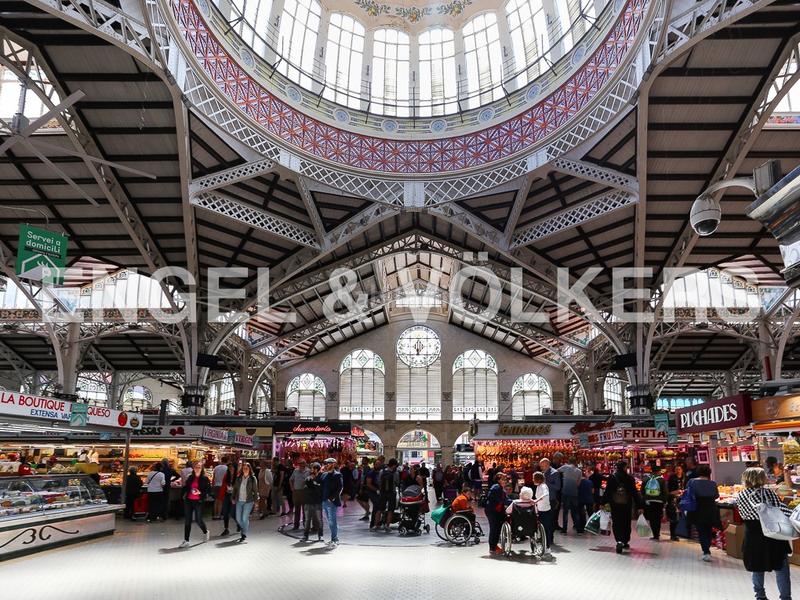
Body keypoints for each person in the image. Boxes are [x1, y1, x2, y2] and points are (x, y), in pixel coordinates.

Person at [736, 467, 792, 600]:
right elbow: (780, 509)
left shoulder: (741, 495)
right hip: (773, 534)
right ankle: (785, 597)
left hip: (753, 535)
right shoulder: (768, 493)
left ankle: (760, 596)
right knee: (781, 568)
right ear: (760, 478)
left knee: (757, 567)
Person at [604, 461, 642, 554]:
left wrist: (603, 502)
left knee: (617, 522)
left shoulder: (612, 478)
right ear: (624, 468)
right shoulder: (630, 478)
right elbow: (634, 493)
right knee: (626, 522)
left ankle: (619, 541)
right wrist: (640, 505)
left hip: (615, 504)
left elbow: (608, 491)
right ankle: (625, 541)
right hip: (626, 504)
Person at [687, 464, 720, 561]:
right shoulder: (713, 483)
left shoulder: (691, 482)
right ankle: (707, 549)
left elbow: (688, 494)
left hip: (698, 508)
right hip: (710, 509)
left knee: (701, 530)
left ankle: (706, 551)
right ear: (709, 473)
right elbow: (716, 496)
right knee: (708, 529)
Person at [179, 461, 211, 548]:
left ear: (202, 469)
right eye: (196, 467)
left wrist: (200, 492)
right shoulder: (190, 477)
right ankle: (186, 540)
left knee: (198, 520)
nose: (197, 468)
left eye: (199, 467)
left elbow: (209, 491)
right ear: (193, 468)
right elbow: (186, 487)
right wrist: (183, 494)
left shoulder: (205, 478)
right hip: (189, 500)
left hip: (198, 501)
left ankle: (205, 531)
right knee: (187, 520)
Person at [641, 464, 669, 540]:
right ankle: (657, 534)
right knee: (657, 518)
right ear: (658, 471)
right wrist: (665, 501)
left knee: (652, 518)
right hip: (659, 501)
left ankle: (654, 534)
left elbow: (642, 491)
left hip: (649, 501)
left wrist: (645, 499)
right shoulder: (662, 480)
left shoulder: (646, 479)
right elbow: (665, 492)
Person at [233, 461, 258, 543]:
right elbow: (235, 489)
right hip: (239, 500)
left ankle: (243, 533)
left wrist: (256, 501)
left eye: (247, 468)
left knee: (244, 518)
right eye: (244, 468)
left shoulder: (252, 478)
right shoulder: (239, 477)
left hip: (248, 501)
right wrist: (233, 497)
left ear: (249, 469)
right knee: (238, 519)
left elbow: (255, 490)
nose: (245, 469)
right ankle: (243, 529)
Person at [320, 458, 343, 547]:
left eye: (328, 463)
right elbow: (319, 484)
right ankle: (333, 538)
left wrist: (332, 498)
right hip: (324, 501)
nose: (326, 465)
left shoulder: (337, 475)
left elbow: (340, 487)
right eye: (325, 463)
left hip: (331, 501)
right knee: (329, 520)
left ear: (333, 464)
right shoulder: (324, 475)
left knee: (332, 520)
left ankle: (335, 538)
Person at [485, 472, 508, 555]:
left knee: (496, 528)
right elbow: (501, 499)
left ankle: (494, 546)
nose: (505, 481)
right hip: (493, 510)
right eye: (503, 479)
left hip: (495, 510)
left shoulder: (499, 487)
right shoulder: (496, 487)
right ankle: (493, 547)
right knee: (494, 529)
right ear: (498, 480)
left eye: (505, 479)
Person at [558, 458, 582, 534]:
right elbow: (578, 484)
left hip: (565, 492)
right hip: (574, 493)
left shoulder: (565, 467)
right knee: (575, 512)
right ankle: (579, 530)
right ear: (576, 463)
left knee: (565, 512)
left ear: (568, 462)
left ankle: (564, 530)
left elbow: (556, 471)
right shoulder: (579, 471)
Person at [539, 458, 562, 535]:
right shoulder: (543, 473)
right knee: (543, 519)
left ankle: (550, 538)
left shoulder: (554, 473)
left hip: (551, 500)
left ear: (548, 465)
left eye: (543, 466)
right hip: (543, 500)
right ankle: (544, 536)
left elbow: (557, 487)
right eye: (541, 466)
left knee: (550, 520)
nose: (541, 468)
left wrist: (546, 482)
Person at [303, 462, 324, 542]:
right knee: (307, 520)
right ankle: (305, 536)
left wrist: (315, 484)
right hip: (308, 501)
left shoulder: (321, 478)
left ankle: (320, 535)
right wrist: (312, 482)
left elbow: (320, 489)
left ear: (316, 469)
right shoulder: (308, 478)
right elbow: (306, 486)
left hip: (317, 502)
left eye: (312, 468)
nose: (310, 470)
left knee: (319, 519)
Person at [533, 471, 554, 548]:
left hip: (545, 511)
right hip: (540, 510)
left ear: (538, 479)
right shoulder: (538, 486)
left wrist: (537, 500)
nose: (533, 480)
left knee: (546, 529)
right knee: (543, 528)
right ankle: (543, 543)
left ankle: (547, 545)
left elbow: (546, 494)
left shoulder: (543, 486)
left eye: (534, 478)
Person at [378, 458, 399, 531]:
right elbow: (397, 482)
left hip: (383, 492)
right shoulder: (395, 473)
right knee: (390, 510)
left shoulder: (382, 471)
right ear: (394, 465)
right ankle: (387, 526)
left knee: (380, 509)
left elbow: (379, 481)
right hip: (391, 493)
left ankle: (376, 525)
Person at [290, 459, 309, 531]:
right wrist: (292, 488)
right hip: (296, 492)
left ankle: (305, 525)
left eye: (302, 464)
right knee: (297, 509)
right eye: (300, 464)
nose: (301, 465)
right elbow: (291, 479)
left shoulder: (308, 471)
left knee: (305, 509)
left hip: (305, 492)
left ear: (305, 464)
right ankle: (296, 525)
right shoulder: (295, 471)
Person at [219, 461, 238, 536]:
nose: (231, 469)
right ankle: (226, 529)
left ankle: (239, 524)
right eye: (229, 467)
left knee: (233, 513)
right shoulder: (226, 475)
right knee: (225, 512)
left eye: (232, 467)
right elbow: (223, 485)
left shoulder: (237, 476)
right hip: (227, 495)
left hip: (234, 496)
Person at [666, 464, 683, 541]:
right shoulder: (672, 478)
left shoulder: (684, 478)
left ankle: (678, 533)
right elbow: (668, 491)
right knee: (674, 518)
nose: (678, 471)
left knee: (679, 517)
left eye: (679, 469)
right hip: (673, 500)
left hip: (682, 500)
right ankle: (673, 534)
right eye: (676, 469)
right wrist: (675, 492)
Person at [356, 457, 371, 521]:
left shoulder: (366, 468)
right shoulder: (365, 468)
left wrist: (361, 488)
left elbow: (363, 478)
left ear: (367, 461)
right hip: (365, 487)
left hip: (365, 487)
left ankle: (367, 513)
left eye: (363, 460)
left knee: (364, 500)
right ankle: (367, 512)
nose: (362, 461)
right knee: (362, 500)